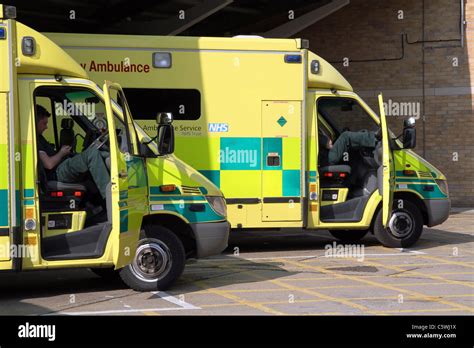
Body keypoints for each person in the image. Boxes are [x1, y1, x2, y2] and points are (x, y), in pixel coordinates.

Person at [36, 105, 110, 200]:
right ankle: (109, 197)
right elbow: (49, 164)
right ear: (36, 122)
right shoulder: (36, 140)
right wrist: (61, 153)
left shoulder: (40, 138)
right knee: (91, 154)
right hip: (58, 172)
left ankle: (117, 164)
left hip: (64, 164)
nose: (46, 127)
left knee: (100, 154)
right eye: (44, 123)